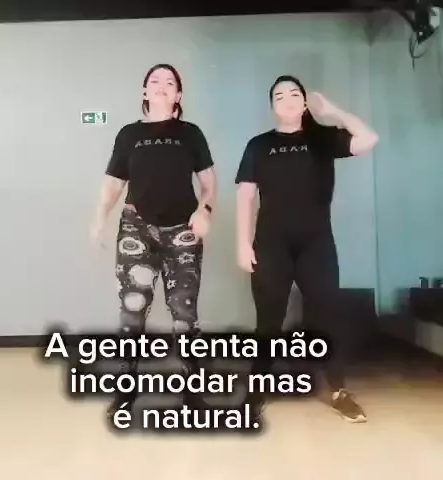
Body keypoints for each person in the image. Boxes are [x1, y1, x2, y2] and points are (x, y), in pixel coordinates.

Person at [235, 75, 379, 423]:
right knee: (268, 321)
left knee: (327, 317)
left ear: (304, 102)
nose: (287, 99)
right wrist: (242, 242)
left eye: (294, 93)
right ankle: (257, 390)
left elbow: (369, 139)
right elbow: (245, 195)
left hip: (316, 242)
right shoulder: (259, 145)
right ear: (272, 106)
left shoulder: (322, 139)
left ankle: (339, 390)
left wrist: (332, 110)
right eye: (279, 95)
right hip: (271, 243)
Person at [90, 63, 216, 416]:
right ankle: (126, 387)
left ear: (178, 95)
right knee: (132, 309)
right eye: (155, 81)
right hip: (137, 228)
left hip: (183, 230)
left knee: (184, 312)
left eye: (170, 82)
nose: (162, 85)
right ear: (144, 92)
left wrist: (205, 210)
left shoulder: (190, 134)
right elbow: (113, 183)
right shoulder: (129, 134)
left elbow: (208, 182)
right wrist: (98, 218)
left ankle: (193, 389)